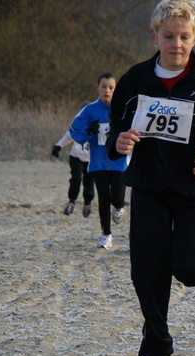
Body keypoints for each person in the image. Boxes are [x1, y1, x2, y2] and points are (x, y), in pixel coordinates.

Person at [106, 0, 195, 356]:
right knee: (146, 272)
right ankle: (156, 352)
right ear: (155, 36)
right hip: (149, 188)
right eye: (168, 36)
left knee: (191, 269)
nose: (176, 44)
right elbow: (114, 131)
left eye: (184, 36)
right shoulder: (134, 80)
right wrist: (119, 142)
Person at [69, 72, 127, 249]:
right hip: (98, 163)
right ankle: (106, 235)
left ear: (116, 89)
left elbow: (136, 128)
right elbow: (74, 132)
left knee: (117, 198)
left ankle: (119, 207)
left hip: (119, 162)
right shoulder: (89, 110)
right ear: (97, 88)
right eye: (104, 87)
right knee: (103, 199)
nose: (107, 91)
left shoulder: (123, 109)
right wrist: (89, 130)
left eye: (111, 87)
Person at [51, 128, 95, 218]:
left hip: (92, 159)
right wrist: (58, 146)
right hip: (76, 157)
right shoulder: (80, 123)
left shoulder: (100, 125)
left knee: (89, 181)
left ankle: (87, 203)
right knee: (76, 178)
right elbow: (69, 135)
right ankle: (71, 202)